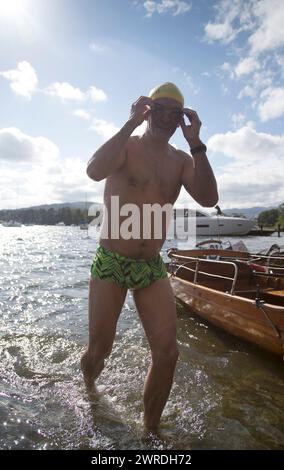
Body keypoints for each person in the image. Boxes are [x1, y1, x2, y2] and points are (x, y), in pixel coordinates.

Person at [81, 82, 218, 433]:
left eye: (174, 112)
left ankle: (150, 431)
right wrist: (129, 123)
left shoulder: (182, 160)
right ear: (146, 111)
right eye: (157, 109)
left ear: (181, 119)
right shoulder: (126, 146)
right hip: (111, 261)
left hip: (150, 267)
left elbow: (207, 197)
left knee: (168, 353)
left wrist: (196, 143)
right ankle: (89, 387)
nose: (164, 117)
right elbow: (95, 170)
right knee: (100, 348)